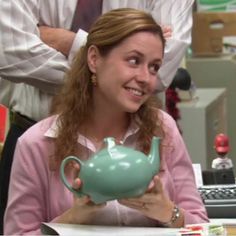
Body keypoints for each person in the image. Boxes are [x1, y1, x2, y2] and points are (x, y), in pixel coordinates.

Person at [4, 8, 208, 235]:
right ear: (94, 59)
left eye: (154, 67)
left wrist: (167, 211)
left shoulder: (163, 129)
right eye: (133, 61)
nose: (145, 78)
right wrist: (73, 218)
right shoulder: (37, 143)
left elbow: (203, 225)